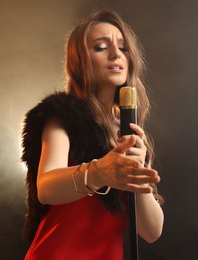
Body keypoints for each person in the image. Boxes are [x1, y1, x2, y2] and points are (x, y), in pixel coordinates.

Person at [21, 9, 164, 260]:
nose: (115, 54)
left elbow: (151, 232)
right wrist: (99, 171)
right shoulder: (61, 116)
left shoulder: (129, 133)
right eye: (100, 47)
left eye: (123, 47)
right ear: (80, 62)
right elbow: (45, 188)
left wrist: (138, 176)